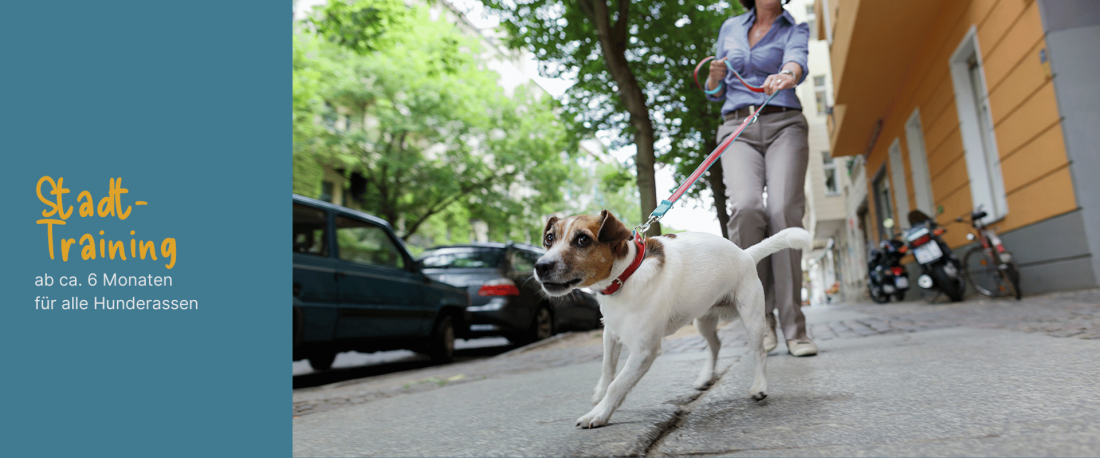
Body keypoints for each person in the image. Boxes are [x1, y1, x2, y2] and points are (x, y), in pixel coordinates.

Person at [705, 0, 816, 356]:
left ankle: (795, 329)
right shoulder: (730, 27)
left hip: (784, 122)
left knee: (783, 212)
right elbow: (715, 92)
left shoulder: (794, 27)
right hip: (737, 126)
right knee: (748, 207)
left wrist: (788, 75)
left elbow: (797, 60)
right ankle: (761, 319)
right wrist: (714, 78)